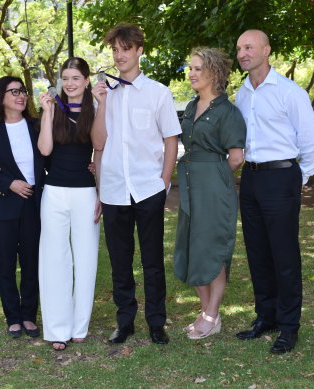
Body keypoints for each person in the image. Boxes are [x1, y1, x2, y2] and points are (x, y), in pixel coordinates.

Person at [91, 23, 181, 345]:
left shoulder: (158, 93)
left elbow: (171, 141)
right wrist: (100, 105)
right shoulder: (104, 94)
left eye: (125, 49)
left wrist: (164, 183)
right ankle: (124, 321)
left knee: (153, 261)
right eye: (114, 50)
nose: (119, 56)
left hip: (148, 189)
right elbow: (98, 143)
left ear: (139, 50)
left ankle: (157, 322)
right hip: (114, 189)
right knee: (119, 261)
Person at [234, 30, 314, 353]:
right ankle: (265, 317)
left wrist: (301, 178)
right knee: (257, 252)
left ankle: (288, 327)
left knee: (284, 255)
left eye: (249, 47)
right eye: (240, 48)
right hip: (252, 179)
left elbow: (311, 141)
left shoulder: (290, 92)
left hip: (282, 177)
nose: (243, 53)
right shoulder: (242, 94)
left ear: (266, 50)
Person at [173, 48, 245, 339]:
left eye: (197, 68)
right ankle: (206, 315)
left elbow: (237, 157)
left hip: (214, 189)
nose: (191, 73)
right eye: (190, 68)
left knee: (212, 249)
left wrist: (215, 181)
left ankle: (212, 313)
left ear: (214, 73)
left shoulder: (228, 112)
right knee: (193, 249)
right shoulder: (191, 107)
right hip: (191, 186)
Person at [37, 57, 102, 351]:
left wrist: (101, 192)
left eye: (76, 77)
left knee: (86, 259)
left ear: (86, 81)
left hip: (85, 192)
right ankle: (56, 329)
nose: (70, 83)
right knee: (54, 260)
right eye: (65, 78)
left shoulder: (97, 107)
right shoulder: (53, 107)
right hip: (54, 192)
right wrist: (47, 113)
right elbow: (45, 149)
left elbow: (101, 147)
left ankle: (79, 325)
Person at [0, 76, 44, 338]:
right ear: (0, 97)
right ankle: (12, 317)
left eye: (23, 91)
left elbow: (52, 156)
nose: (21, 95)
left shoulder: (36, 126)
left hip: (33, 204)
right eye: (13, 91)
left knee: (31, 263)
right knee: (5, 265)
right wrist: (9, 183)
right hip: (1, 205)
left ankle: (29, 315)